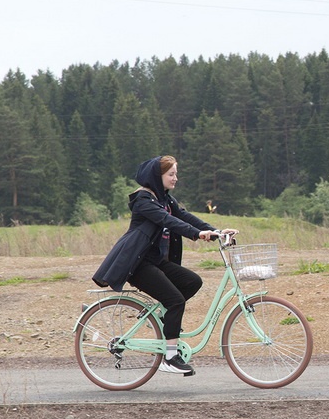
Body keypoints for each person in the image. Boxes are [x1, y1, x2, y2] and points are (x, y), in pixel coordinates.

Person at [93, 155, 237, 376]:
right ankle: (169, 357)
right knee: (175, 300)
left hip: (156, 262)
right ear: (157, 177)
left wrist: (215, 231)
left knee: (192, 282)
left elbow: (184, 216)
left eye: (176, 174)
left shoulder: (165, 200)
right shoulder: (143, 200)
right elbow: (168, 221)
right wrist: (197, 234)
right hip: (138, 264)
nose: (175, 178)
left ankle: (165, 323)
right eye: (171, 174)